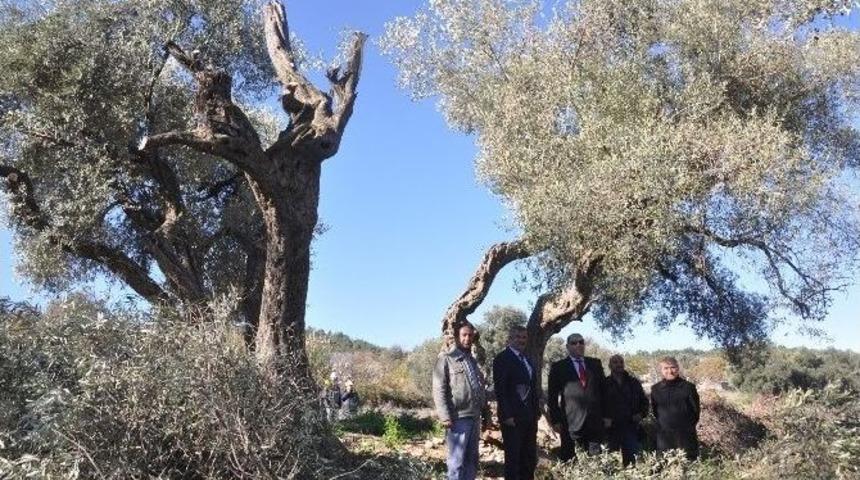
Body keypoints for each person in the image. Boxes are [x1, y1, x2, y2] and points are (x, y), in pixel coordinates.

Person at [432, 322, 488, 480]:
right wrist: (445, 416)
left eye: (470, 335)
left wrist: (485, 414)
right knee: (456, 462)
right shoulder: (446, 359)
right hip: (457, 418)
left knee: (472, 461)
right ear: (457, 337)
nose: (467, 338)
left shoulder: (472, 361)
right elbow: (438, 389)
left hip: (474, 417)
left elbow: (479, 389)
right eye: (464, 335)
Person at [547, 333, 607, 461]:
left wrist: (607, 415)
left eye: (581, 342)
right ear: (568, 347)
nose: (578, 345)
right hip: (570, 422)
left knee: (596, 459)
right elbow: (552, 396)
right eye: (574, 343)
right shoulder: (558, 367)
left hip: (594, 421)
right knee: (569, 459)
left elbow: (604, 391)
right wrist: (556, 420)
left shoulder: (595, 363)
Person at [492, 325, 539, 480]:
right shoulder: (502, 359)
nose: (521, 340)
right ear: (510, 339)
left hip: (530, 417)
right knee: (514, 459)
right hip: (512, 418)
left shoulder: (527, 360)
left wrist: (536, 413)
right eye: (517, 337)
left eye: (524, 337)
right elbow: (501, 389)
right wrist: (507, 415)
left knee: (529, 457)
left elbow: (532, 387)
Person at [650, 356, 700, 460]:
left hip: (686, 437)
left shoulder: (689, 387)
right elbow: (656, 412)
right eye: (666, 368)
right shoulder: (655, 389)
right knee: (665, 467)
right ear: (661, 370)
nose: (670, 371)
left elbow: (695, 411)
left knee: (689, 468)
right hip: (664, 438)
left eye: (672, 367)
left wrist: (687, 427)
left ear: (677, 368)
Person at [604, 354, 648, 466]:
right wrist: (603, 419)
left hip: (631, 427)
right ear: (609, 366)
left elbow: (644, 401)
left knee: (633, 462)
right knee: (610, 462)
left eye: (621, 362)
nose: (619, 364)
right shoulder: (604, 384)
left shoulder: (633, 382)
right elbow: (598, 405)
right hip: (611, 429)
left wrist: (641, 414)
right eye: (615, 362)